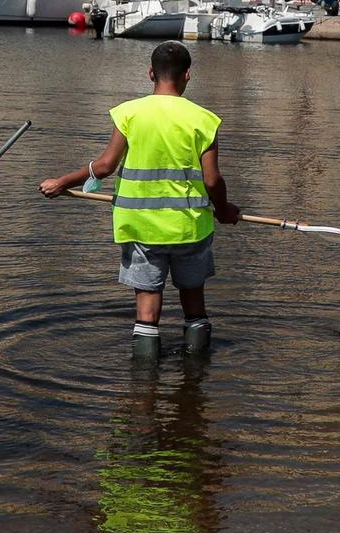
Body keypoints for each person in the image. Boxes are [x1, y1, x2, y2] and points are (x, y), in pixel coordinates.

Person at [40, 40, 238, 357]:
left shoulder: (129, 114)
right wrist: (225, 209)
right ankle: (197, 375)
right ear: (188, 76)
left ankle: (144, 387)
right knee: (194, 305)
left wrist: (62, 181)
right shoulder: (204, 119)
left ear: (150, 73)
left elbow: (104, 167)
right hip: (189, 228)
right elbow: (212, 179)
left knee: (146, 312)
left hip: (141, 227)